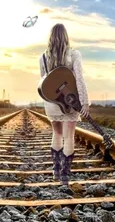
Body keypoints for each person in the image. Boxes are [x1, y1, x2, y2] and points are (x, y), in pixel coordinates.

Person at [39, 23, 90, 185]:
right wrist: (84, 102)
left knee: (57, 134)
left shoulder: (43, 57)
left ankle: (56, 171)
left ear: (51, 37)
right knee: (69, 136)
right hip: (70, 100)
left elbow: (44, 82)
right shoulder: (74, 54)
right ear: (66, 37)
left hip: (52, 102)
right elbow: (79, 80)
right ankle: (65, 176)